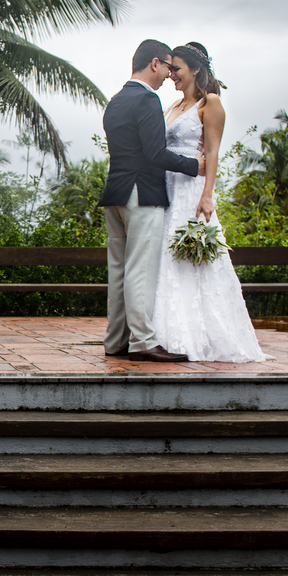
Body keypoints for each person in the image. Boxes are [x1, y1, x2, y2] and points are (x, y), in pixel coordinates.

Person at [151, 42, 268, 362]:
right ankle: (166, 334)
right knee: (167, 259)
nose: (171, 75)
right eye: (170, 69)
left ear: (195, 69)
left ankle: (200, 336)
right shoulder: (174, 105)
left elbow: (213, 151)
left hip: (191, 190)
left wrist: (207, 195)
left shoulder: (210, 103)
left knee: (191, 260)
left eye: (176, 69)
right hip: (168, 188)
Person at [98, 39, 204, 363]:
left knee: (118, 271)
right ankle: (143, 341)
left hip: (115, 193)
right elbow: (155, 154)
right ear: (155, 63)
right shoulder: (147, 99)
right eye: (168, 67)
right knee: (140, 269)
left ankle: (115, 341)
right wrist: (194, 165)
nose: (169, 74)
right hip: (141, 193)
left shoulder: (115, 101)